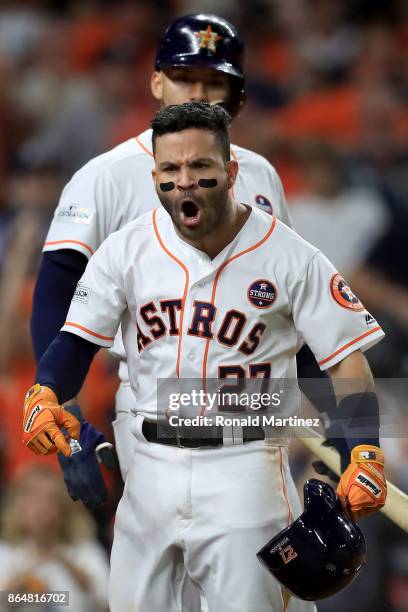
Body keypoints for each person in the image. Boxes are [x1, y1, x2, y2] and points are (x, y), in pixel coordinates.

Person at [23, 102, 387, 612]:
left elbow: (346, 360)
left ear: (231, 170)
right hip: (147, 468)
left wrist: (364, 448)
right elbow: (78, 340)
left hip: (246, 466)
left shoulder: (290, 255)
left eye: (200, 167)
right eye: (170, 170)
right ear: (155, 174)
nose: (184, 182)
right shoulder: (125, 249)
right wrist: (46, 389)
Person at [30, 14, 292, 502]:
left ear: (238, 97)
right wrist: (68, 412)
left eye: (215, 82)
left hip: (253, 415)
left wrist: (353, 434)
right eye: (184, 76)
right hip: (153, 409)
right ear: (156, 82)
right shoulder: (105, 176)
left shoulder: (263, 176)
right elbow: (54, 298)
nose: (198, 92)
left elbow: (296, 305)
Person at [0, 465, 109, 612]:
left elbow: (107, 601)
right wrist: (23, 582)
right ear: (17, 505)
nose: (41, 508)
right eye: (32, 497)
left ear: (64, 508)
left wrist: (71, 569)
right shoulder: (6, 552)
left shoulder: (85, 550)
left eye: (51, 499)